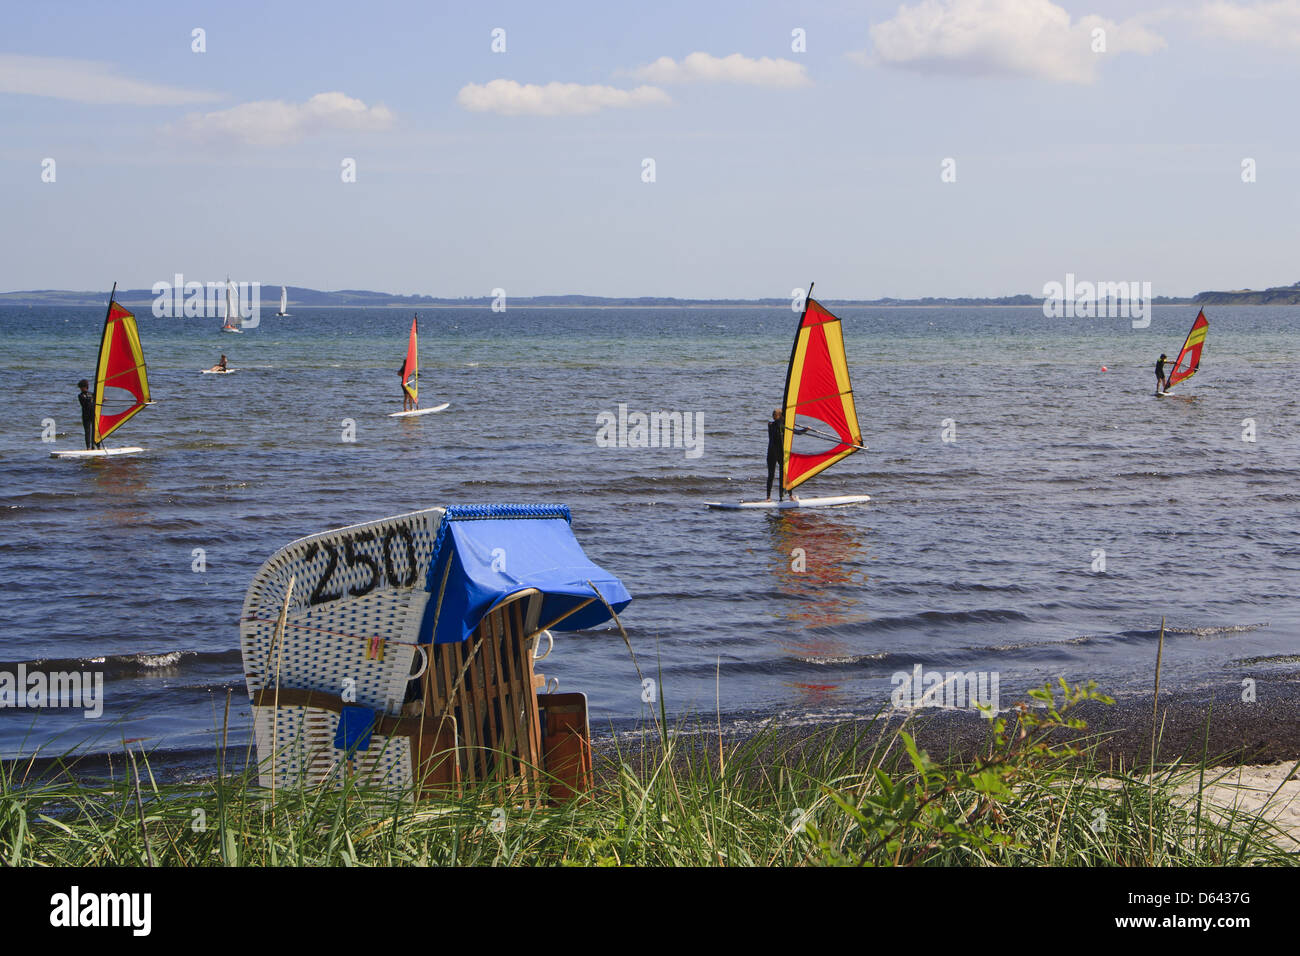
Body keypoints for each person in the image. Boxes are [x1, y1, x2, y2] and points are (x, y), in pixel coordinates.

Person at [766, 408, 807, 502]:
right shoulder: (773, 425)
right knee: (773, 475)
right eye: (773, 415)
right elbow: (778, 425)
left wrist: (805, 430)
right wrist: (785, 422)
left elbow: (797, 432)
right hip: (774, 454)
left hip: (777, 453)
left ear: (779, 416)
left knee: (783, 475)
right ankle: (769, 498)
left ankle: (787, 496)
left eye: (774, 414)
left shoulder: (779, 425)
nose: (773, 416)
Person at [77, 379, 98, 449]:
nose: (81, 389)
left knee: (95, 431)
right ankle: (88, 447)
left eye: (81, 387)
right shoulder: (80, 395)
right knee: (87, 431)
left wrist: (102, 400)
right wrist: (92, 399)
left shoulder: (92, 394)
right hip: (86, 415)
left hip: (93, 414)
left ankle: (97, 446)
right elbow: (85, 403)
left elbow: (96, 401)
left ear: (85, 387)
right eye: (80, 388)